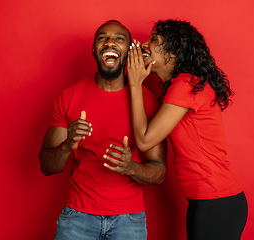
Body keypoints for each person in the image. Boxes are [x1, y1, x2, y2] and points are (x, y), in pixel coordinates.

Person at [39, 20, 167, 240]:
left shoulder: (147, 101)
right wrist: (68, 144)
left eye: (119, 39)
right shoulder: (70, 96)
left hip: (129, 220)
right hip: (77, 218)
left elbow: (159, 172)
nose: (109, 42)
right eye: (102, 38)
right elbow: (47, 166)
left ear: (130, 50)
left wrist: (131, 168)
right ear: (93, 49)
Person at [127, 19, 248, 240]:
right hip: (206, 201)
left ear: (173, 54)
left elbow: (144, 141)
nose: (145, 44)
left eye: (154, 40)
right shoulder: (180, 86)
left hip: (216, 201)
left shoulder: (185, 84)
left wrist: (136, 84)